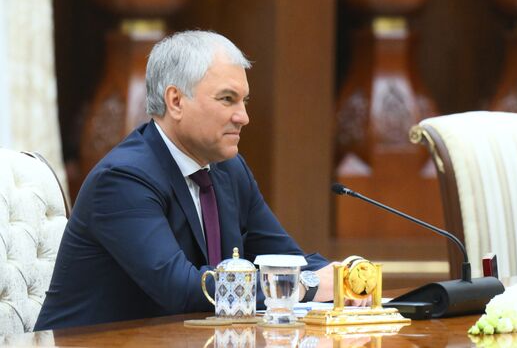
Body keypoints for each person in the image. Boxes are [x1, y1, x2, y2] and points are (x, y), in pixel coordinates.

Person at [35, 30, 360, 331]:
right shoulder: (123, 179)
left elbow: (287, 258)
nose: (243, 117)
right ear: (176, 101)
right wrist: (304, 286)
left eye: (243, 101)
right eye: (227, 99)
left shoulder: (229, 170)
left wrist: (350, 274)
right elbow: (182, 290)